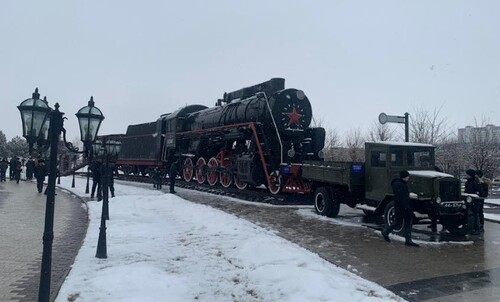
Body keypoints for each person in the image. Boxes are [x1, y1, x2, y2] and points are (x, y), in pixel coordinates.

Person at [382, 170, 419, 247]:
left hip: (401, 206)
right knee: (401, 222)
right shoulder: (400, 185)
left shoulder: (400, 184)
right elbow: (401, 198)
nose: (408, 178)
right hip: (402, 207)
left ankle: (408, 240)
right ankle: (386, 232)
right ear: (404, 177)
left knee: (404, 222)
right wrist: (406, 207)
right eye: (407, 176)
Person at [464, 169, 482, 235]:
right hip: (469, 200)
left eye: (467, 174)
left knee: (475, 215)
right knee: (471, 215)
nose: (466, 175)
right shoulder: (468, 182)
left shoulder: (474, 182)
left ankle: (476, 229)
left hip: (474, 201)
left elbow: (479, 191)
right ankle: (472, 228)